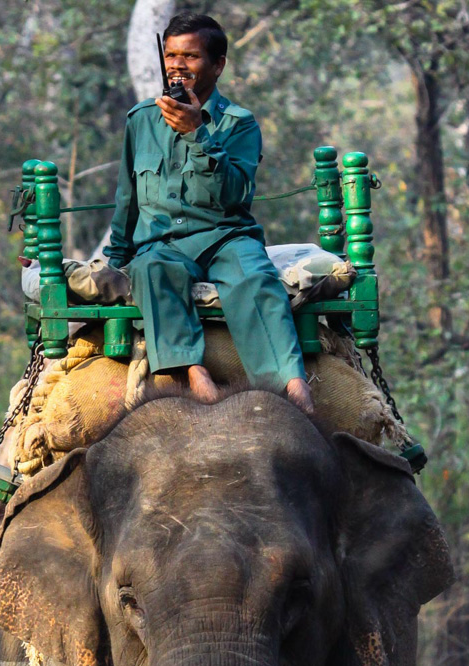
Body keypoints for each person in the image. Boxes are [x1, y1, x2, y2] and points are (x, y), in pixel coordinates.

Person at [104, 12, 314, 413]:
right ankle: (194, 374)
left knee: (255, 279)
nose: (177, 66)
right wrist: (113, 261)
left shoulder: (240, 124)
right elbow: (127, 199)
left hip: (226, 237)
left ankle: (290, 387)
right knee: (150, 270)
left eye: (191, 56)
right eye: (170, 55)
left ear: (217, 65)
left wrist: (197, 133)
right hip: (162, 244)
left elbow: (234, 195)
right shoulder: (141, 119)